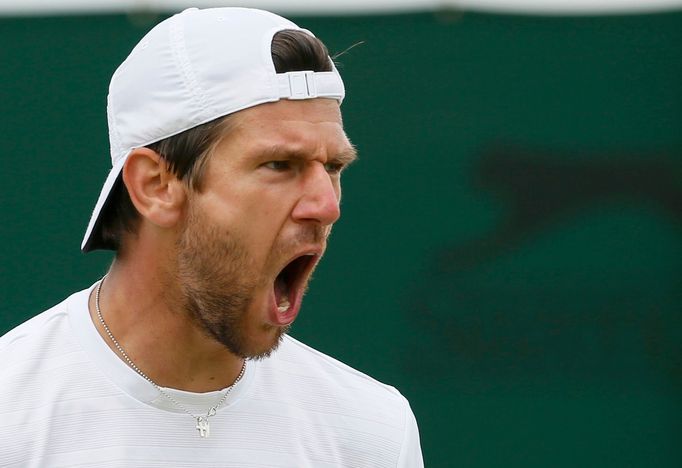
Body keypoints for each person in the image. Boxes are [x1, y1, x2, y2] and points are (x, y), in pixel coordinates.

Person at [0, 7, 423, 467]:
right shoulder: (12, 417)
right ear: (155, 186)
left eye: (334, 167)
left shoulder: (373, 430)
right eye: (279, 165)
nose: (327, 205)